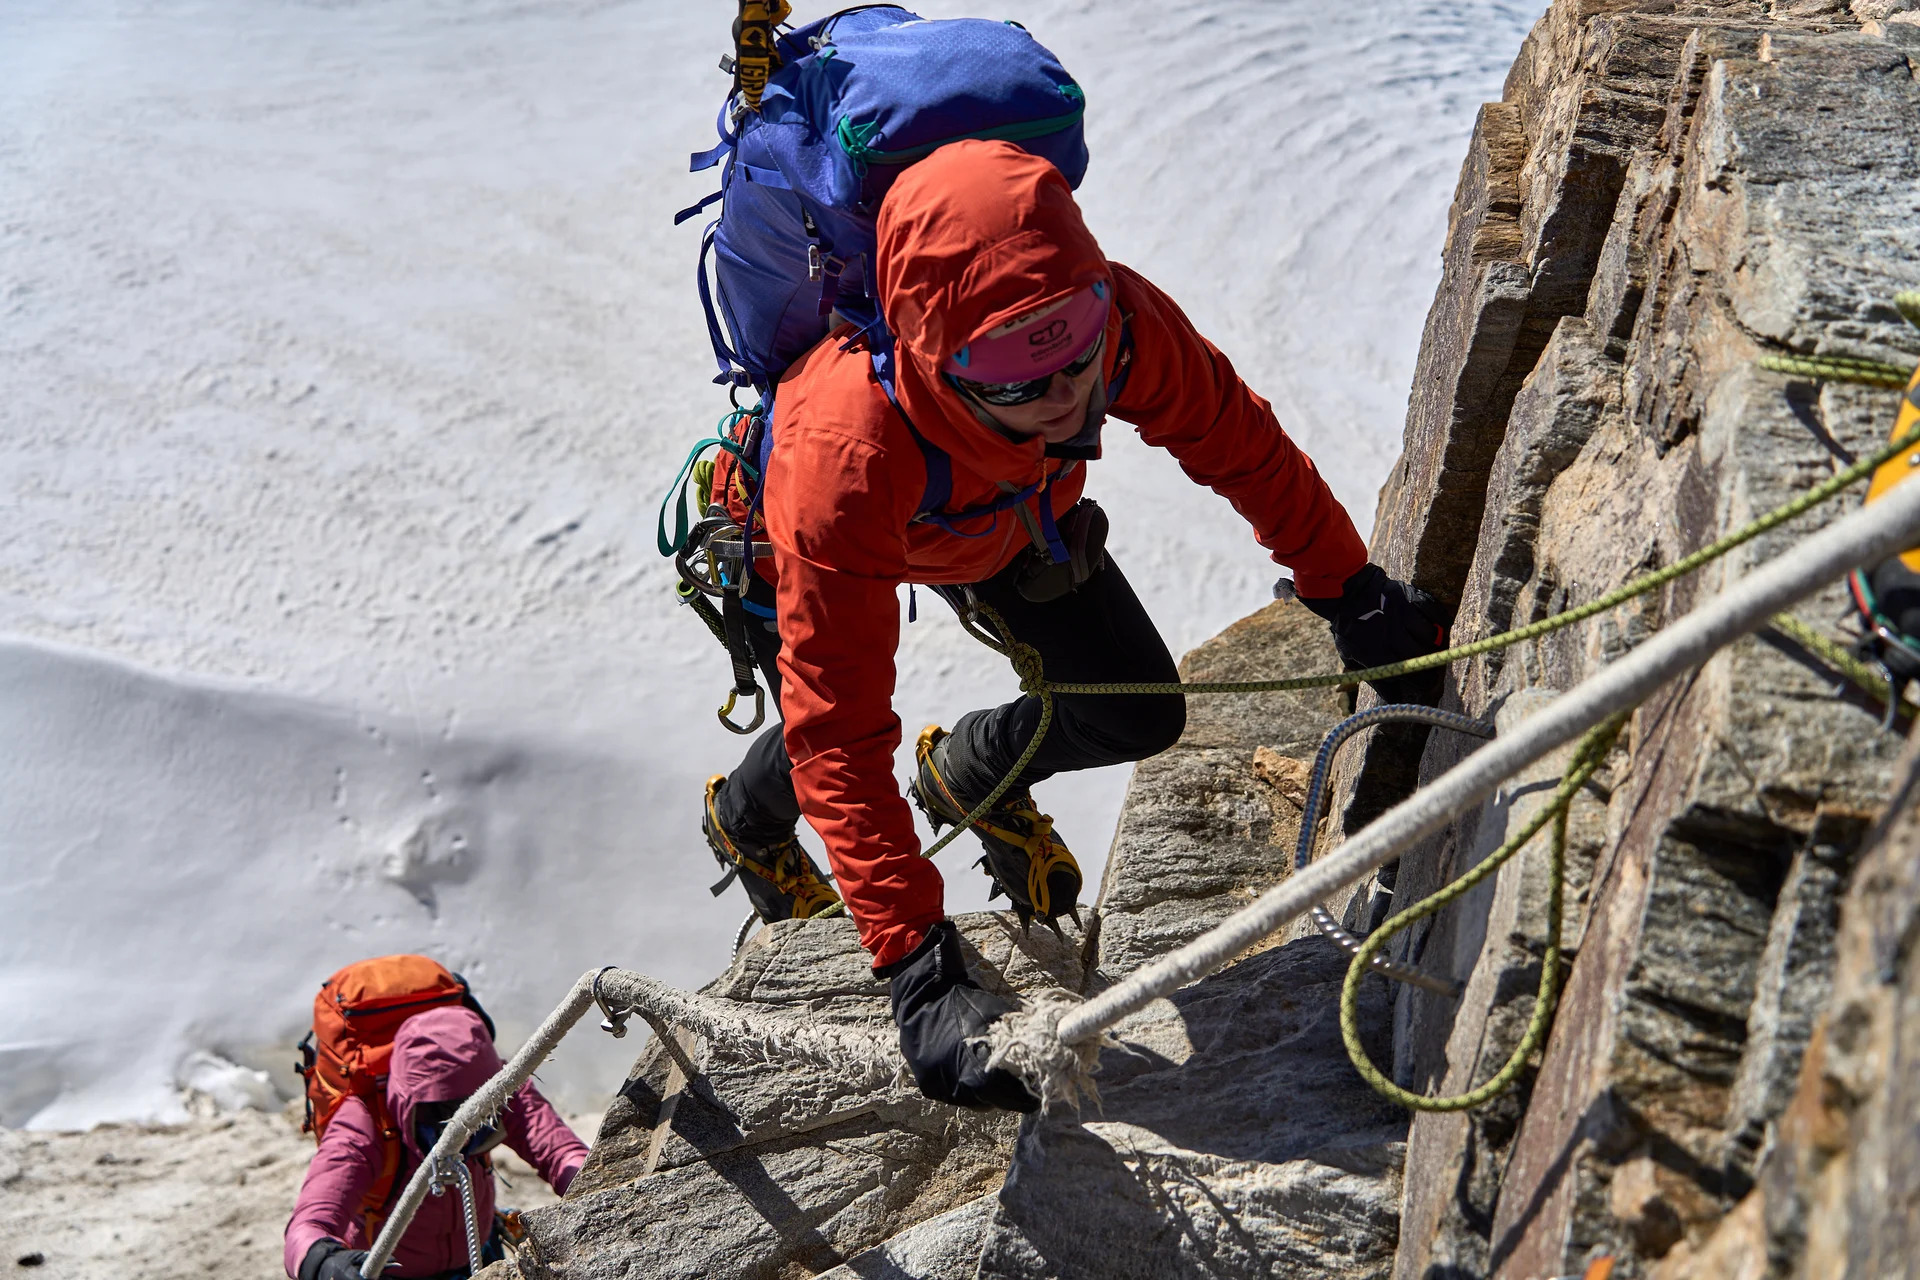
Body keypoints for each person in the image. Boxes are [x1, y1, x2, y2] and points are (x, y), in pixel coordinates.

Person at [699, 139, 1449, 1112]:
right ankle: (748, 820)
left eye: (1071, 343)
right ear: (933, 357)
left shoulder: (1116, 323)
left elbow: (1237, 438)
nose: (1061, 393)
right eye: (1012, 369)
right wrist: (919, 964)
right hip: (832, 533)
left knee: (1138, 714)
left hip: (1010, 521)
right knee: (824, 720)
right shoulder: (843, 448)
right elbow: (838, 730)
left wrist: (1351, 592)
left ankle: (966, 769)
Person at [285, 1006, 588, 1280]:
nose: (463, 1125)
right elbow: (308, 1226)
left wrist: (590, 1185)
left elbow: (560, 1152)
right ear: (408, 1101)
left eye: (475, 1106)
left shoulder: (505, 1091)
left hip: (480, 1257)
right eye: (443, 1110)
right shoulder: (364, 1122)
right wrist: (326, 1262)